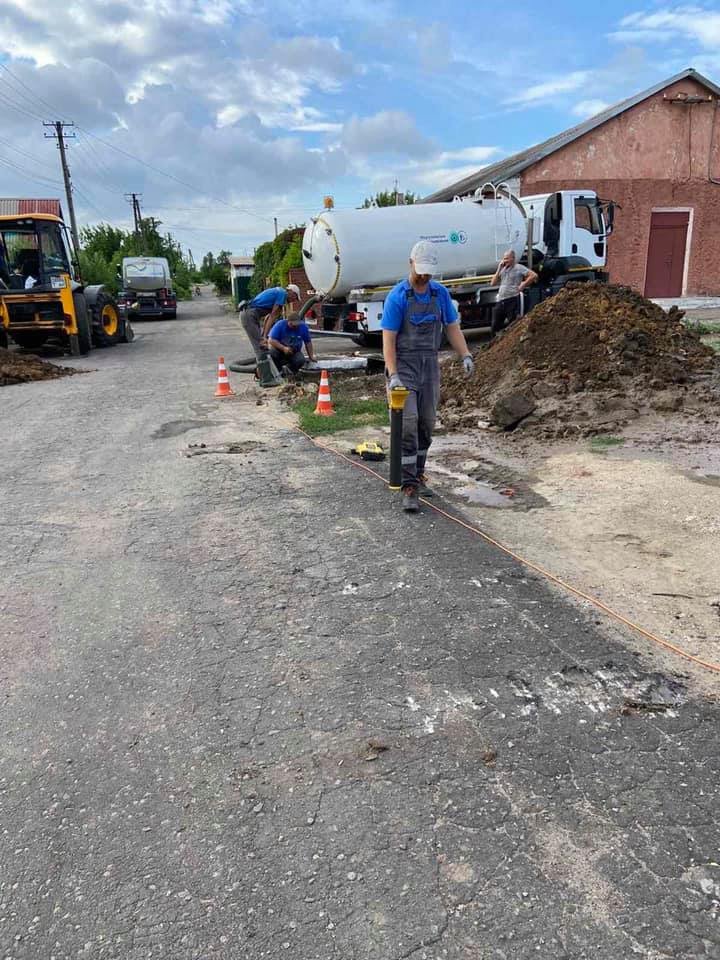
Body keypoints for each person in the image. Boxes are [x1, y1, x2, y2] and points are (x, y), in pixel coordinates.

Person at [382, 240, 474, 514]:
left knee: (426, 424)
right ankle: (409, 487)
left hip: (429, 367)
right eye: (420, 270)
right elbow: (388, 340)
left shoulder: (440, 295)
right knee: (407, 424)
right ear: (411, 263)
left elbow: (452, 327)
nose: (424, 276)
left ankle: (418, 474)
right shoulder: (398, 297)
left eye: (428, 272)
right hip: (404, 367)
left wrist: (466, 354)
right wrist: (394, 375)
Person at [239, 284, 301, 361]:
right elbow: (272, 317)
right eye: (295, 297)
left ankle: (264, 367)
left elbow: (267, 318)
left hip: (251, 315)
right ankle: (263, 370)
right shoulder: (282, 294)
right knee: (260, 347)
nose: (293, 300)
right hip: (249, 316)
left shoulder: (279, 292)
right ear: (291, 292)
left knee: (262, 345)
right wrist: (265, 337)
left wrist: (264, 336)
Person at [490, 249, 537, 335]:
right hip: (501, 300)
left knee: (513, 324)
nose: (505, 261)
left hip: (512, 299)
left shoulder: (518, 267)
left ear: (513, 258)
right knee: (495, 325)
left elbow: (533, 275)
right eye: (504, 258)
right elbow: (492, 283)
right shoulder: (503, 269)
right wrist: (499, 269)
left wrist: (523, 284)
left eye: (507, 258)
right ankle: (494, 345)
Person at [267, 311, 317, 377]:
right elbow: (271, 340)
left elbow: (308, 342)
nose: (295, 327)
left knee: (300, 360)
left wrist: (311, 356)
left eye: (297, 325)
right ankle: (277, 373)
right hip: (279, 349)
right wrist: (283, 348)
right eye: (293, 325)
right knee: (272, 353)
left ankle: (289, 372)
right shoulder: (280, 325)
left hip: (294, 351)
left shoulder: (303, 327)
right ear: (288, 321)